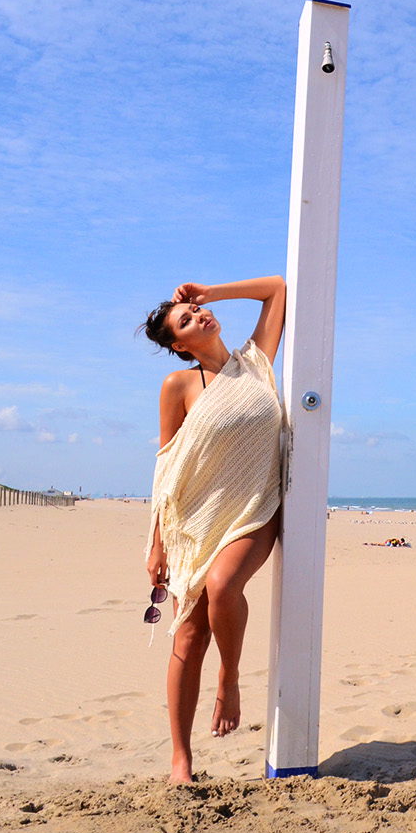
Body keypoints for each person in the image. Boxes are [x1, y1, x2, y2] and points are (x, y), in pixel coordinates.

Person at [138, 275, 287, 784]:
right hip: (195, 519)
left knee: (224, 586)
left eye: (195, 312)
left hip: (254, 509)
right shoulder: (178, 386)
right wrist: (157, 541)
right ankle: (181, 760)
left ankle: (230, 677)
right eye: (187, 321)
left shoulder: (256, 363)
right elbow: (168, 464)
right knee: (190, 633)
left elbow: (277, 289)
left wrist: (208, 293)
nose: (198, 318)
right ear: (179, 346)